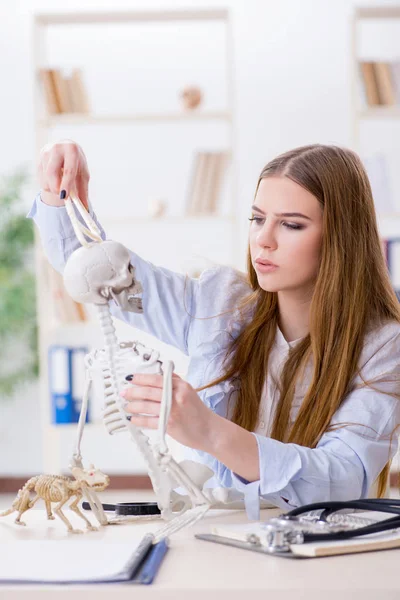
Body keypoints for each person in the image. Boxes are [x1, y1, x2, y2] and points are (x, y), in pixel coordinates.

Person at [29, 141, 400, 517]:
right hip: (207, 536)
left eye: (290, 224)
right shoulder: (220, 305)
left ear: (341, 237)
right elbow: (95, 274)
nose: (264, 239)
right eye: (258, 218)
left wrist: (210, 432)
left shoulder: (383, 347)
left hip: (319, 551)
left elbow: (344, 478)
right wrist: (61, 197)